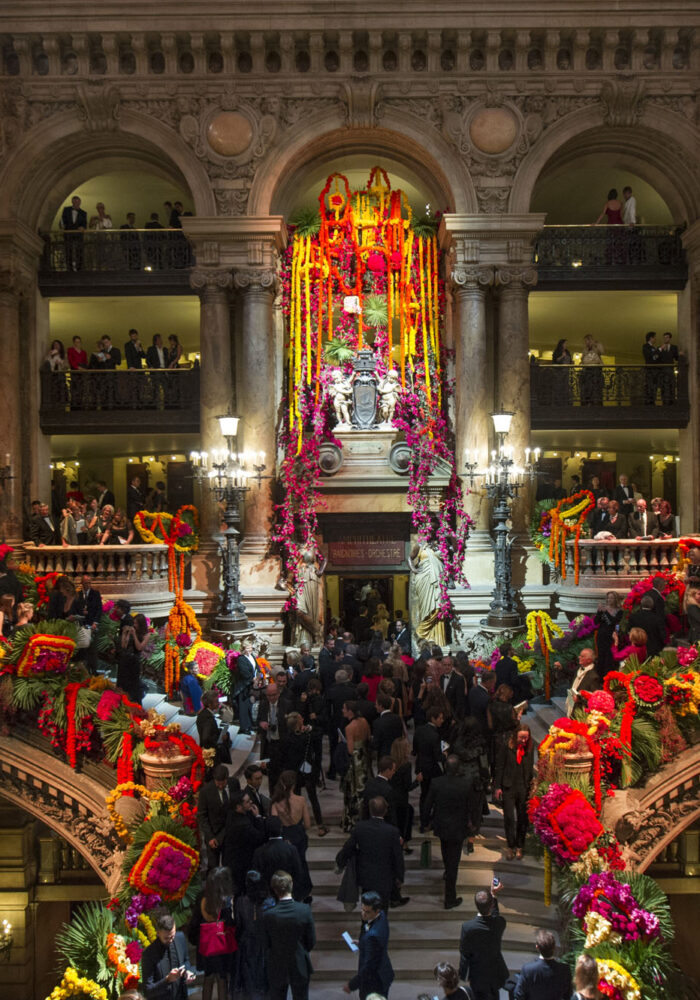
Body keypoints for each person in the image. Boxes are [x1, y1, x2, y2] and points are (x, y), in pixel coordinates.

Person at [336, 796, 408, 911]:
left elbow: (348, 847)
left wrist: (340, 861)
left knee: (367, 910)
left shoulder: (360, 828)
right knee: (382, 911)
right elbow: (397, 857)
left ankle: (366, 928)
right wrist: (400, 877)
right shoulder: (392, 831)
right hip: (385, 877)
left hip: (366, 876)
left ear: (370, 810)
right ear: (385, 811)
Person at [424, 755, 474, 909]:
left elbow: (427, 805)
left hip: (442, 826)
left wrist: (427, 822)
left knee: (446, 853)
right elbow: (471, 807)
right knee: (454, 861)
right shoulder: (465, 785)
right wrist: (472, 824)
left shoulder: (436, 783)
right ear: (458, 768)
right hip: (458, 827)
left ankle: (448, 875)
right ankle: (450, 898)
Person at [262, 870, 316, 1000]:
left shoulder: (268, 915)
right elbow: (311, 941)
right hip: (299, 963)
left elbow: (265, 943)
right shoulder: (304, 910)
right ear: (291, 885)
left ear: (274, 890)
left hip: (277, 965)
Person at [187, 867, 236, 1000]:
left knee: (208, 979)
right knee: (222, 979)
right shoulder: (224, 901)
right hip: (221, 946)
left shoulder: (201, 898)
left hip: (206, 945)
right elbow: (230, 923)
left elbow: (195, 923)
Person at [271, 769, 313, 903]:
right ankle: (303, 892)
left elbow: (274, 825)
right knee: (301, 862)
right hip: (299, 835)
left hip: (285, 836)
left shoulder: (276, 802)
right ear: (294, 785)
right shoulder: (301, 800)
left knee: (287, 866)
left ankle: (286, 893)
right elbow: (307, 824)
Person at [458, 886, 508, 1000]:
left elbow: (464, 952)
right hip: (495, 972)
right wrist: (494, 895)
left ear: (476, 905)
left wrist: (463, 974)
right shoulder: (500, 923)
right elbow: (495, 917)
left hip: (477, 974)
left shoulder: (468, 927)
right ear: (491, 906)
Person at [342, 891, 394, 999]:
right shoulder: (382, 916)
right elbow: (376, 948)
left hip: (374, 981)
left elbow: (368, 968)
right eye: (362, 909)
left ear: (377, 910)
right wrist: (363, 944)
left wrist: (352, 985)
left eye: (368, 912)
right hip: (383, 970)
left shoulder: (373, 936)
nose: (363, 914)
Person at [494, 724, 534, 861]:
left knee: (522, 818)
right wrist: (497, 786)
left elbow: (529, 767)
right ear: (515, 736)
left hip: (523, 787)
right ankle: (510, 845)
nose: (524, 740)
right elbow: (499, 767)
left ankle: (520, 846)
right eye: (521, 738)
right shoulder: (507, 747)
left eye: (526, 738)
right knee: (509, 817)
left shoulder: (529, 747)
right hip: (508, 786)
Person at [233, 869, 274, 1000]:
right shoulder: (269, 902)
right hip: (263, 943)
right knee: (262, 978)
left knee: (249, 980)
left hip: (247, 944)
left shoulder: (240, 901)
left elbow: (239, 925)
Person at [141, 911, 196, 1000]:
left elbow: (186, 960)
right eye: (166, 938)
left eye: (172, 936)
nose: (170, 940)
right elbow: (148, 990)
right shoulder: (149, 954)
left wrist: (188, 972)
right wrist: (167, 980)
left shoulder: (180, 937)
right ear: (158, 933)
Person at [223, 790, 268, 896]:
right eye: (247, 802)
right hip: (240, 864)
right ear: (239, 807)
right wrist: (258, 817)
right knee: (241, 891)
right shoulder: (242, 825)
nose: (251, 802)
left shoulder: (232, 814)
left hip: (233, 859)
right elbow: (259, 838)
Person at [198, 763, 240, 870]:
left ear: (227, 778)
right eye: (218, 784)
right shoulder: (206, 791)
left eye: (223, 783)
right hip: (214, 835)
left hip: (230, 832)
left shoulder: (234, 784)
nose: (221, 786)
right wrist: (210, 837)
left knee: (230, 865)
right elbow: (202, 816)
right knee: (213, 867)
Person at [252, 814, 304, 899]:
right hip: (287, 893)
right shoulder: (291, 849)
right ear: (281, 828)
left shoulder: (259, 852)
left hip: (267, 896)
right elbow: (298, 872)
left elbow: (256, 876)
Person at [514, 929, 571, 1000]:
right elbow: (567, 995)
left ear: (537, 947)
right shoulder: (564, 970)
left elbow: (519, 994)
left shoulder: (528, 970)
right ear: (554, 947)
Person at [341, 701, 372, 831]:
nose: (342, 710)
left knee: (354, 790)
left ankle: (353, 821)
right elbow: (368, 737)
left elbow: (350, 749)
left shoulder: (349, 728)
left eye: (344, 708)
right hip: (365, 757)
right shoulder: (364, 721)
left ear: (350, 712)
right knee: (364, 787)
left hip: (355, 761)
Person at [414, 705, 445, 831]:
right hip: (432, 769)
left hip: (421, 766)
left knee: (424, 795)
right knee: (432, 797)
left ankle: (423, 822)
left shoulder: (419, 730)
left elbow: (415, 749)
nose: (442, 721)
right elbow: (437, 757)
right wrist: (445, 755)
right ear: (433, 718)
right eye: (440, 718)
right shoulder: (435, 735)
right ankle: (430, 820)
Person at [409, 542, 446, 646]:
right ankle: (423, 634)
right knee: (427, 609)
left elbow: (455, 551)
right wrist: (414, 569)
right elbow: (410, 558)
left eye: (434, 529)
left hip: (438, 579)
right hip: (423, 578)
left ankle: (420, 633)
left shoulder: (441, 544)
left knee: (439, 608)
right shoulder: (419, 545)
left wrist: (450, 537)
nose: (431, 533)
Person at [117, 610, 148, 702]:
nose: (134, 625)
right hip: (125, 660)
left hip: (134, 662)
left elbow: (139, 647)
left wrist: (134, 635)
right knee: (122, 684)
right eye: (133, 623)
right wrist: (124, 633)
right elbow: (123, 645)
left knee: (133, 685)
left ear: (141, 624)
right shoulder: (130, 631)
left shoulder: (146, 635)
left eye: (136, 623)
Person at [564, 648, 602, 715]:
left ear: (589, 660)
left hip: (581, 711)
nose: (579, 657)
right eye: (580, 655)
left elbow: (594, 697)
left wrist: (580, 699)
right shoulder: (578, 670)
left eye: (582, 656)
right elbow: (569, 674)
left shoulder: (593, 677)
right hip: (572, 705)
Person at [594, 591, 622, 678]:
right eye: (608, 598)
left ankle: (608, 677)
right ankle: (600, 677)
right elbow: (596, 622)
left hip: (611, 636)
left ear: (616, 599)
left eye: (612, 598)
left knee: (609, 657)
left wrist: (606, 612)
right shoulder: (603, 609)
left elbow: (613, 622)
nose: (609, 600)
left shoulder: (619, 611)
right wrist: (599, 612)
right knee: (601, 656)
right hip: (601, 635)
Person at [372, 693, 404, 761]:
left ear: (381, 706)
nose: (375, 706)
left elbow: (376, 743)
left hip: (384, 755)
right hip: (396, 752)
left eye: (376, 704)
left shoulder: (377, 722)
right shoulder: (397, 718)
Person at [60, 195, 87, 270]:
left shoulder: (83, 213)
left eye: (78, 202)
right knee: (68, 250)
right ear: (72, 202)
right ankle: (69, 267)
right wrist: (63, 227)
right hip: (69, 234)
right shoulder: (66, 210)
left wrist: (82, 227)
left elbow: (84, 224)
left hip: (78, 234)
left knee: (79, 250)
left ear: (80, 202)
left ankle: (79, 267)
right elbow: (63, 220)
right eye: (75, 202)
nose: (77, 203)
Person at [580, 335, 604, 406]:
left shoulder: (596, 346)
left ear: (590, 340)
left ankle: (597, 401)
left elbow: (602, 351)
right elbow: (583, 358)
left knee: (596, 386)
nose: (585, 343)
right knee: (588, 386)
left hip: (596, 370)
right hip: (587, 370)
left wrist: (596, 345)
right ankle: (589, 401)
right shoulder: (585, 349)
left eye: (586, 341)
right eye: (585, 341)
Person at [642, 330, 660, 404]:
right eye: (654, 338)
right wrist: (659, 350)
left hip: (655, 371)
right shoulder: (646, 346)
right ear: (650, 338)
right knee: (649, 385)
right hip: (650, 370)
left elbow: (656, 357)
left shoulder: (654, 348)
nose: (655, 339)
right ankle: (649, 401)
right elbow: (650, 356)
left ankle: (653, 400)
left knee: (654, 386)